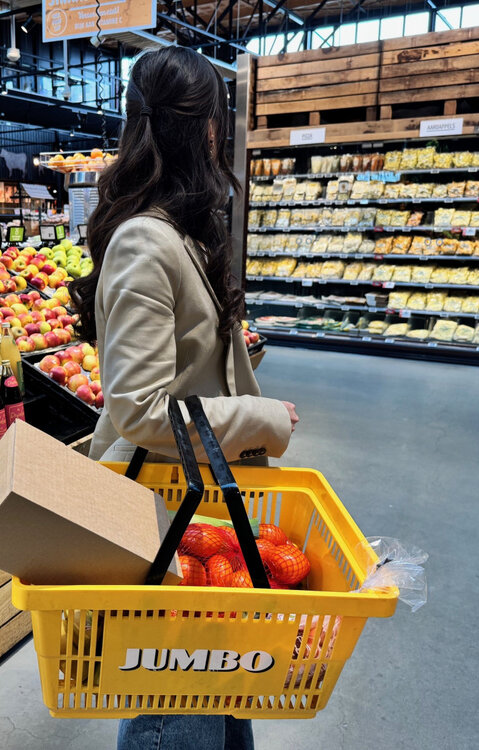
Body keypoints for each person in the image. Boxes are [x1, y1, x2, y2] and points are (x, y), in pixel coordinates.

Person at [70, 47, 299, 750]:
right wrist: (261, 417)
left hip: (196, 497)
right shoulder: (146, 241)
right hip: (161, 512)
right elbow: (138, 408)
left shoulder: (179, 232)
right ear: (199, 129)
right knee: (175, 699)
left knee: (217, 687)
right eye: (218, 121)